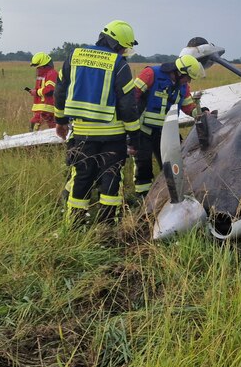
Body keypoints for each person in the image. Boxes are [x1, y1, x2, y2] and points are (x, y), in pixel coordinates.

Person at [54, 20, 141, 226]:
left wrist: (60, 121)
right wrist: (135, 136)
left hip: (82, 134)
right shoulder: (119, 64)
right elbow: (128, 105)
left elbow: (59, 90)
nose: (123, 52)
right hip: (113, 136)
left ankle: (74, 226)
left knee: (81, 177)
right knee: (111, 178)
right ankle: (107, 226)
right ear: (114, 44)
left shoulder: (74, 57)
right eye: (123, 47)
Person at [130, 43, 207, 196]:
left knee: (174, 165)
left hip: (167, 133)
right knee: (143, 166)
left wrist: (201, 112)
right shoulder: (151, 74)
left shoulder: (183, 87)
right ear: (179, 72)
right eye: (188, 78)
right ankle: (143, 199)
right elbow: (131, 97)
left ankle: (170, 195)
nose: (189, 82)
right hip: (143, 131)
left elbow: (187, 106)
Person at [27, 52, 57, 130]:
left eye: (38, 67)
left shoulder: (52, 73)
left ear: (44, 66)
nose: (37, 69)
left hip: (47, 109)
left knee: (52, 131)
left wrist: (36, 92)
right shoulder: (41, 75)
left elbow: (50, 90)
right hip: (42, 110)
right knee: (35, 129)